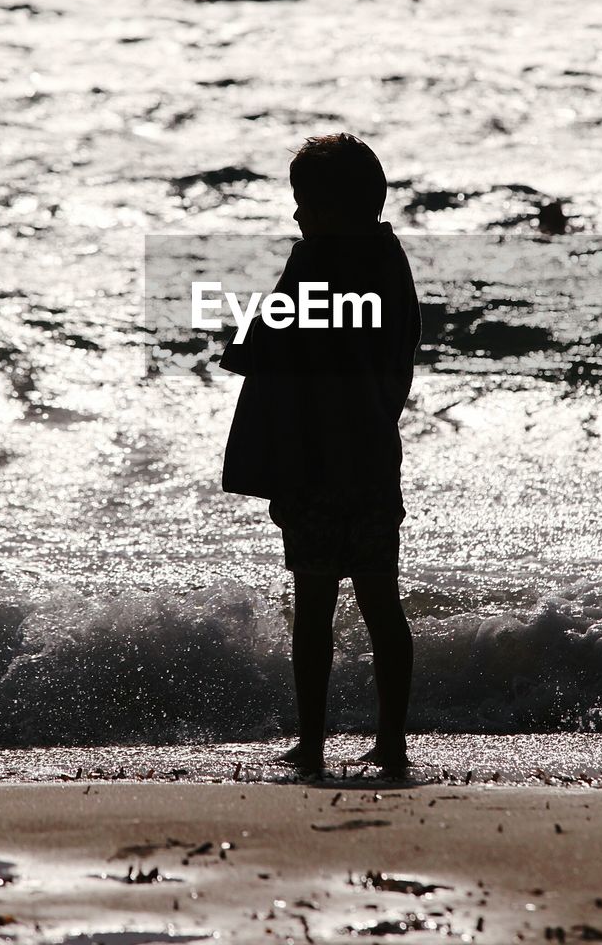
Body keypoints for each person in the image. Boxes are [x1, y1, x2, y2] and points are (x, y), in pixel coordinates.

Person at [218, 134, 421, 777]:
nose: (297, 214)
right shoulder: (390, 261)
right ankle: (391, 742)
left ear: (335, 206)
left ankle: (312, 742)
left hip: (312, 464)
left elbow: (256, 348)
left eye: (305, 201)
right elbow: (398, 354)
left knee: (314, 609)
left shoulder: (312, 262)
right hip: (368, 459)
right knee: (380, 604)